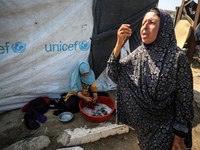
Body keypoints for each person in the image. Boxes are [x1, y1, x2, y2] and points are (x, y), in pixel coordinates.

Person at [107, 8, 194, 150]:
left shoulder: (177, 58)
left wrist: (179, 138)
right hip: (144, 132)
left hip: (167, 133)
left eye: (151, 23)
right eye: (143, 23)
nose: (144, 27)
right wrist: (119, 43)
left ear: (164, 28)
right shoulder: (139, 53)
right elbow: (114, 73)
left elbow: (184, 100)